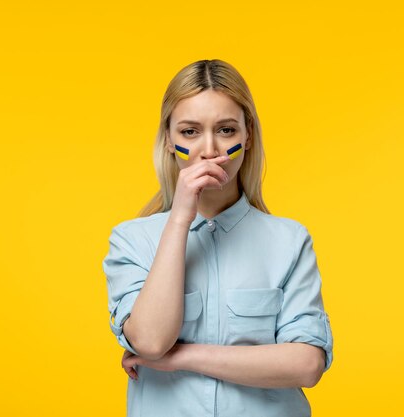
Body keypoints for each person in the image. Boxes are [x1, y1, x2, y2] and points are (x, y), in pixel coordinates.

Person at [102, 59, 334, 417]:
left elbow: (306, 365)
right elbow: (150, 341)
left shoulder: (289, 241)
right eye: (190, 132)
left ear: (248, 135)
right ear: (168, 139)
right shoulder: (132, 241)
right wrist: (180, 217)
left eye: (226, 130)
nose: (209, 150)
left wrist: (182, 357)